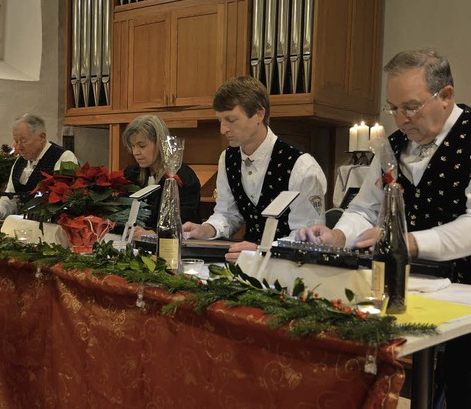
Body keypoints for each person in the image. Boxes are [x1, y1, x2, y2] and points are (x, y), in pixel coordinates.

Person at [296, 48, 471, 408]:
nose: (402, 119)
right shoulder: (392, 146)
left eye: (411, 106)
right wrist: (340, 234)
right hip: (413, 287)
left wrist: (405, 241)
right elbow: (365, 207)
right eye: (393, 108)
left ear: (447, 95)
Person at [182, 76, 327, 261]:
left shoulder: (302, 166)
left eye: (231, 120)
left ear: (258, 114)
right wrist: (206, 229)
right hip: (245, 265)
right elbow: (227, 214)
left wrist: (263, 250)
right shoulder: (227, 158)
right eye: (220, 120)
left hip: (289, 268)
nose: (223, 129)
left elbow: (309, 237)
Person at [0, 113, 79, 221]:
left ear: (42, 137)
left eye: (23, 141)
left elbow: (66, 200)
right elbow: (11, 197)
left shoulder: (63, 157)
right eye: (16, 141)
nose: (19, 147)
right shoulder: (19, 162)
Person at [122, 115, 201, 239]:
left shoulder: (183, 177)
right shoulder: (131, 174)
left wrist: (153, 234)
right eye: (133, 146)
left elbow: (185, 223)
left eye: (142, 146)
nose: (135, 152)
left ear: (160, 144)